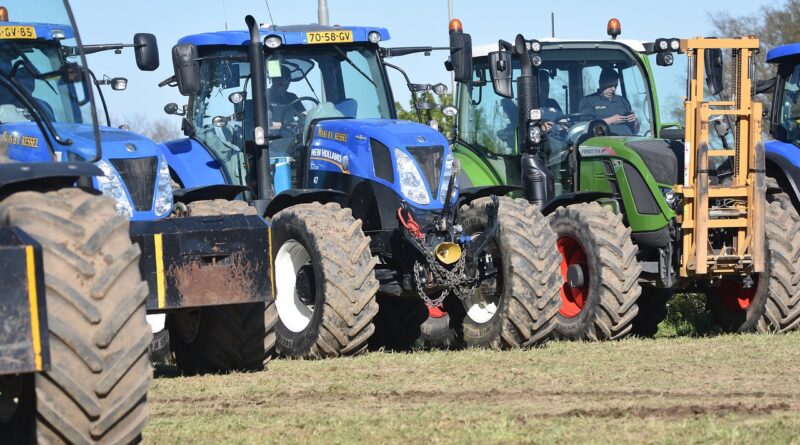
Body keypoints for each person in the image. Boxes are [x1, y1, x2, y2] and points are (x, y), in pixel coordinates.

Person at [578, 67, 638, 136]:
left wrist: (634, 121)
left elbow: (635, 129)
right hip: (603, 141)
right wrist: (610, 121)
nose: (613, 89)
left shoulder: (623, 101)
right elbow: (585, 127)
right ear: (601, 82)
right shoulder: (588, 101)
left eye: (615, 86)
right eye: (610, 85)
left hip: (627, 138)